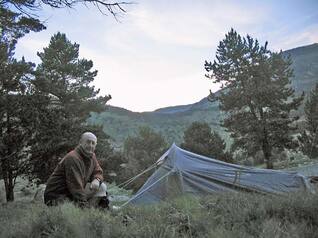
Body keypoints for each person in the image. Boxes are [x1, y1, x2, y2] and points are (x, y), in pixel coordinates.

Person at [44, 132, 109, 208]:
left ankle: (91, 210)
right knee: (72, 211)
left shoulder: (91, 156)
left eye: (93, 143)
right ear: (80, 143)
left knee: (102, 187)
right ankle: (85, 211)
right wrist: (83, 206)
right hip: (57, 196)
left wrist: (97, 179)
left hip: (70, 193)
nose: (90, 145)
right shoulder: (73, 158)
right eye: (88, 142)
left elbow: (98, 171)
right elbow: (75, 186)